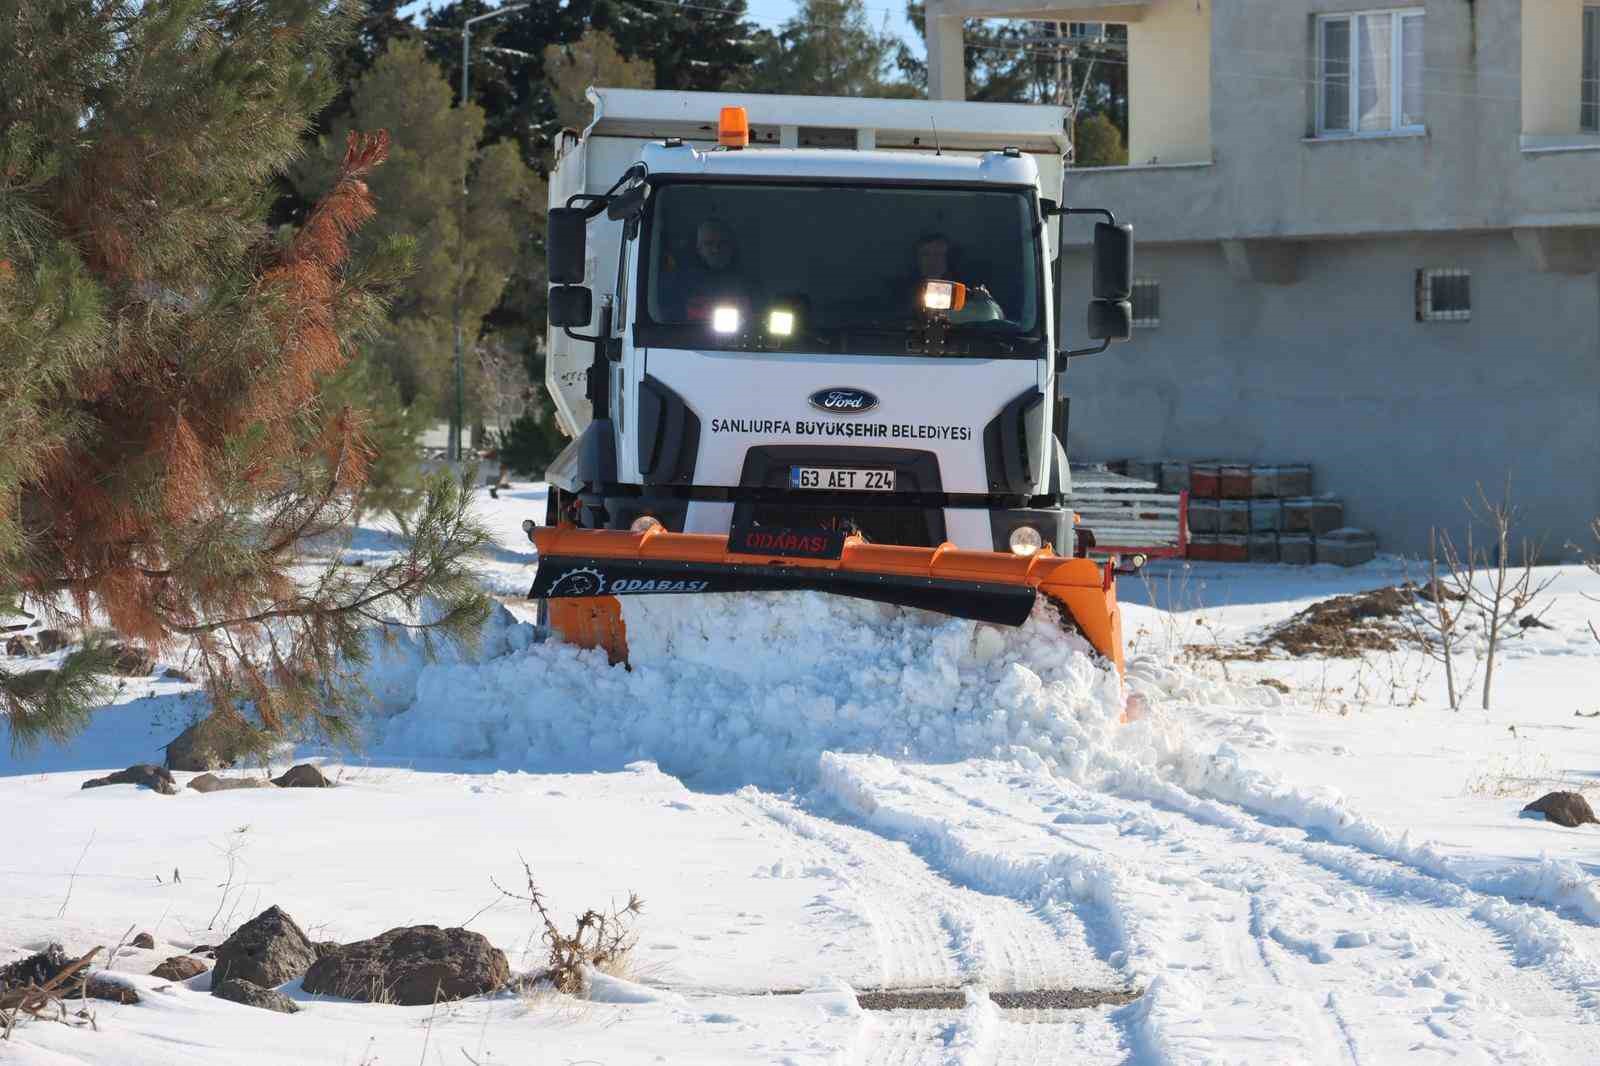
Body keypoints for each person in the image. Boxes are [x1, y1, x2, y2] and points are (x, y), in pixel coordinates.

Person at [658, 218, 753, 323]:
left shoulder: (749, 285)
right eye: (708, 244)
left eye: (722, 243)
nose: (715, 249)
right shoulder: (677, 284)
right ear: (698, 248)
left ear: (731, 247)